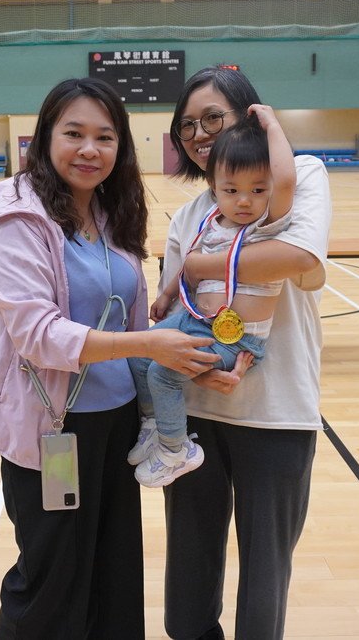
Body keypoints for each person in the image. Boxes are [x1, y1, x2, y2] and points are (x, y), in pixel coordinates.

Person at [0, 76, 219, 639]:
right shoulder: (16, 216)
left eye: (105, 137)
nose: (89, 149)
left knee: (114, 573)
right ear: (44, 138)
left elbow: (128, 310)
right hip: (54, 426)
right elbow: (38, 335)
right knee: (52, 579)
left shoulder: (110, 210)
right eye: (73, 133)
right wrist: (148, 344)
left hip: (117, 420)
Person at [160, 66, 333, 640]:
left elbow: (299, 257)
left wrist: (199, 264)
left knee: (265, 578)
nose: (200, 134)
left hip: (277, 413)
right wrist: (193, 367)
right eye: (187, 125)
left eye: (213, 117)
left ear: (249, 116)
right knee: (188, 578)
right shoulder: (191, 213)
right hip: (198, 411)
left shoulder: (297, 178)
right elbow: (178, 310)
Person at [127, 111, 296, 488]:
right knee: (140, 351)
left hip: (233, 339)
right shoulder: (210, 222)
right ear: (214, 187)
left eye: (258, 190)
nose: (245, 201)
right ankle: (155, 425)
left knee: (162, 373)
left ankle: (176, 450)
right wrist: (167, 294)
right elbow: (191, 265)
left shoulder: (265, 226)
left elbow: (285, 178)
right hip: (195, 321)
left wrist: (273, 126)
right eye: (232, 190)